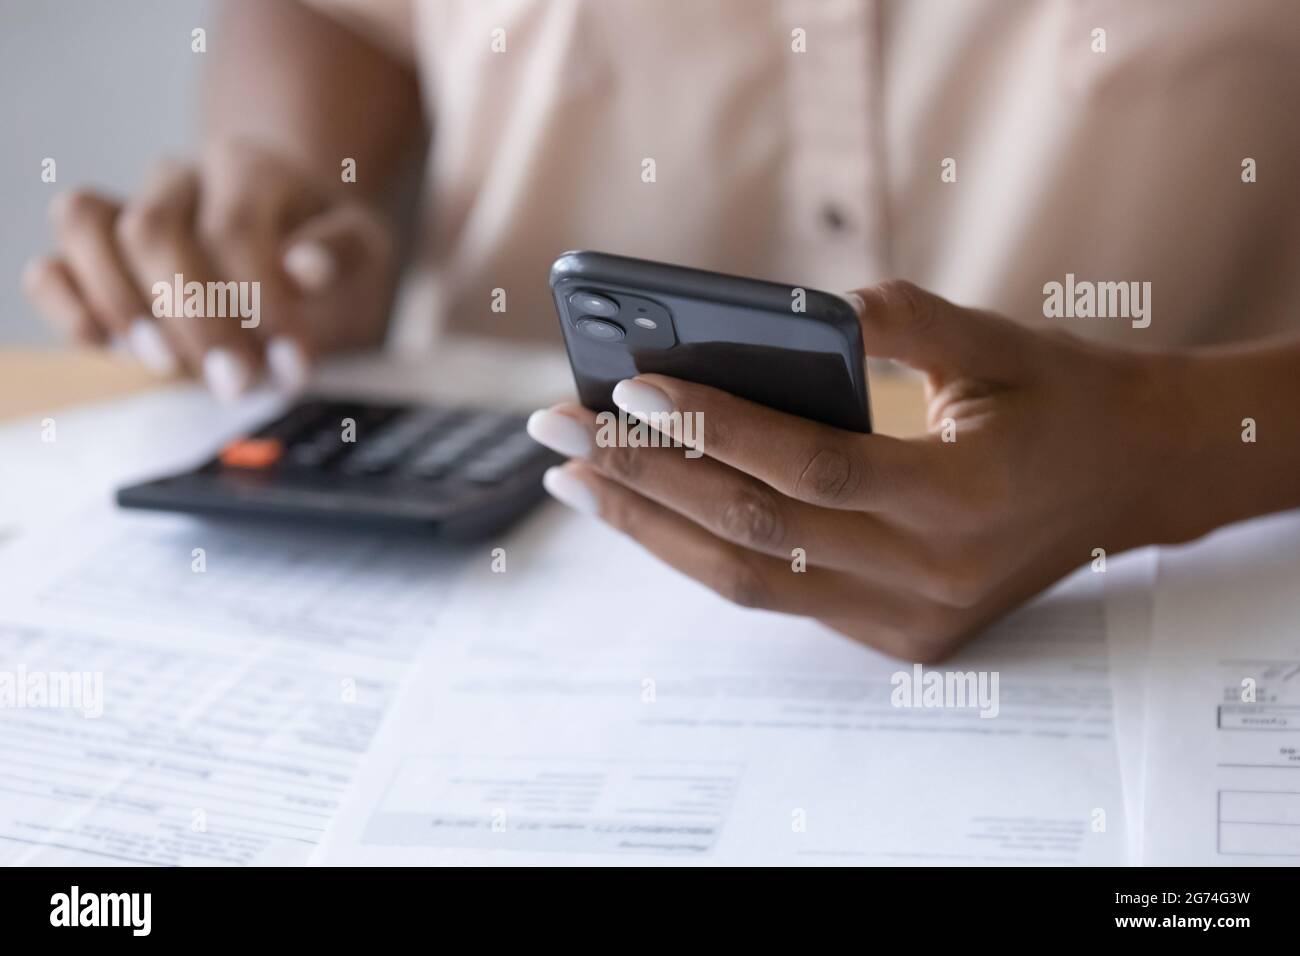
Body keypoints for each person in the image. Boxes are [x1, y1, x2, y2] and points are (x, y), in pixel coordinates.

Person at [23, 0, 1300, 659]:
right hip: (480, 541)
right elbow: (344, 11)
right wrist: (294, 182)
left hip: (1198, 579)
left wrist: (1168, 446)